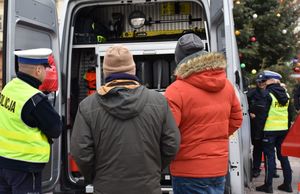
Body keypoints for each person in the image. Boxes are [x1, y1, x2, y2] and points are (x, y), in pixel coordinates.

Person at [71, 44, 180, 194]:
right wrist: (153, 169)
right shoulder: (158, 102)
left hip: (106, 188)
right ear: (133, 69)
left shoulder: (88, 106)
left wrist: (96, 177)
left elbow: (80, 152)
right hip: (148, 187)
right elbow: (171, 144)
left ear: (105, 72)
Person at [164, 33, 243, 194]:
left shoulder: (175, 90)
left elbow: (168, 131)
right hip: (218, 168)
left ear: (179, 60)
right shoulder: (226, 85)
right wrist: (215, 135)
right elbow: (236, 119)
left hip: (188, 170)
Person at [0, 48, 62, 193]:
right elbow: (55, 129)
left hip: (4, 162)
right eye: (46, 69)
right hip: (25, 167)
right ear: (38, 70)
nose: (47, 73)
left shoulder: (10, 87)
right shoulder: (35, 99)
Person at [256, 71, 293, 193]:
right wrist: (287, 129)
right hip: (283, 130)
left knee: (269, 158)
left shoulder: (267, 94)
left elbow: (262, 115)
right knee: (283, 157)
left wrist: (258, 131)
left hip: (269, 130)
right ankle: (287, 185)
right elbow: (290, 114)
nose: (263, 83)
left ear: (270, 81)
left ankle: (268, 186)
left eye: (265, 80)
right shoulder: (286, 94)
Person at [247, 72, 270, 178]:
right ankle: (256, 169)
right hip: (255, 126)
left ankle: (270, 170)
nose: (261, 83)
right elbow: (242, 105)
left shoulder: (270, 95)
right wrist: (249, 113)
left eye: (263, 81)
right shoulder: (251, 93)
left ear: (266, 82)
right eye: (259, 82)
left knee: (267, 150)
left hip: (268, 126)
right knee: (257, 149)